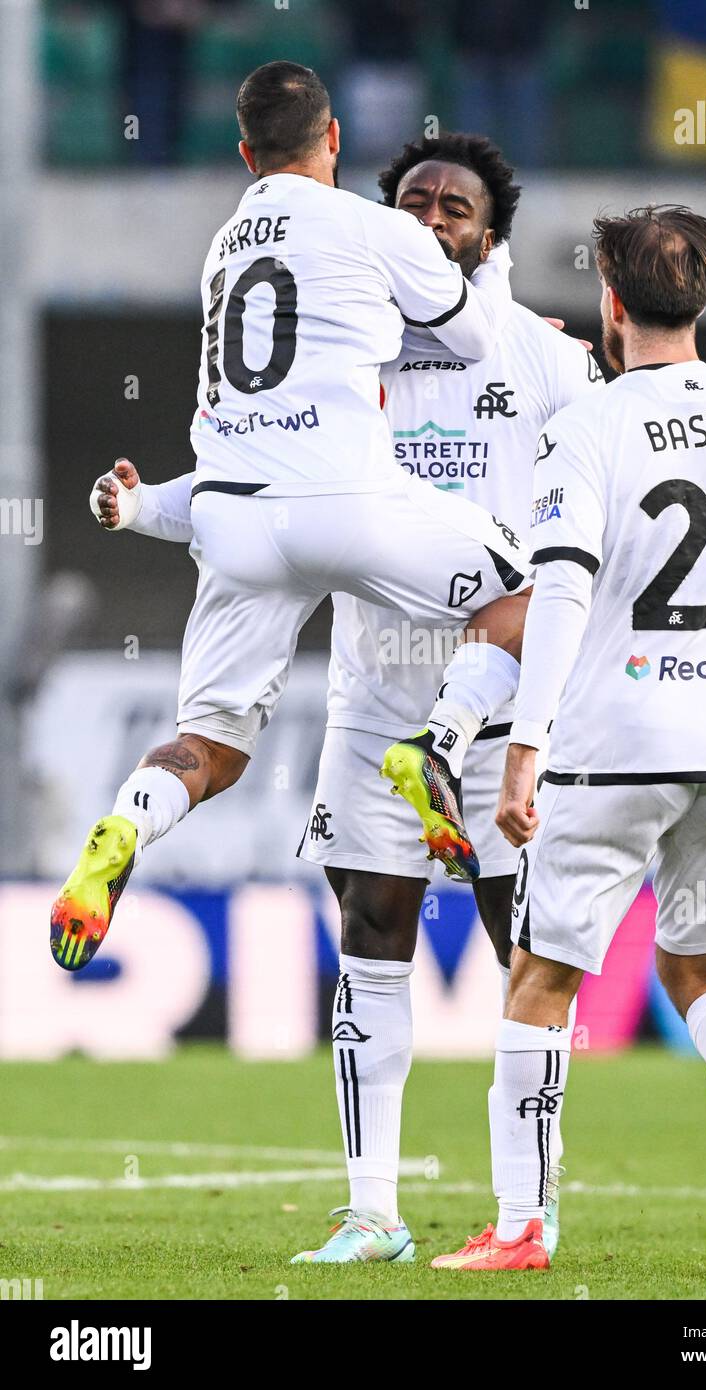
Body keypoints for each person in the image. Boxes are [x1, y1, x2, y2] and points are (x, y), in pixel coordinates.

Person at [89, 131, 604, 1265]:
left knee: (521, 944)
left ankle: (528, 1207)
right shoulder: (344, 332)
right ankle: (371, 1209)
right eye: (413, 200)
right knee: (371, 933)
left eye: (454, 208)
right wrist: (149, 503)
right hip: (376, 697)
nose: (430, 219)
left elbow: (592, 529)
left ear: (488, 233)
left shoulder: (545, 359)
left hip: (506, 707)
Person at [431, 205, 706, 1274]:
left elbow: (563, 582)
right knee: (699, 962)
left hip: (610, 744)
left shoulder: (591, 424)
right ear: (700, 301)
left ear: (609, 306)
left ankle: (523, 1227)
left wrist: (521, 739)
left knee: (540, 977)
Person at [50, 62, 531, 974]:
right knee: (525, 592)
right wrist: (494, 265)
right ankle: (435, 751)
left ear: (245, 155)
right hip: (349, 506)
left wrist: (141, 504)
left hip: (232, 523)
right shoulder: (371, 224)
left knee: (210, 747)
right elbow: (472, 336)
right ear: (335, 140)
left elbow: (242, 446)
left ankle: (125, 821)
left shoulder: (223, 252)